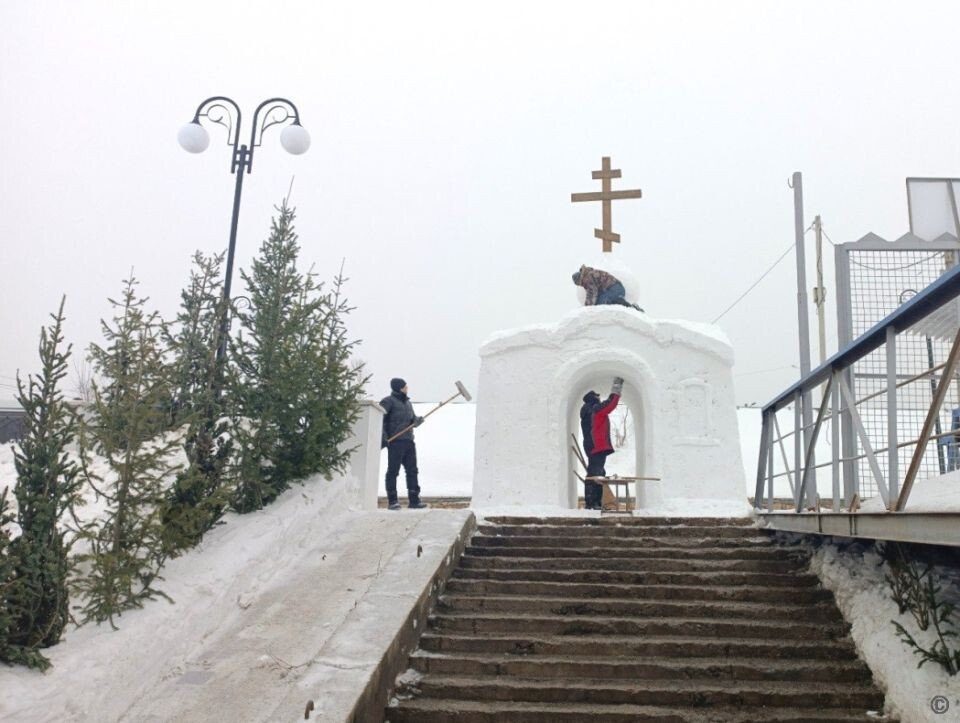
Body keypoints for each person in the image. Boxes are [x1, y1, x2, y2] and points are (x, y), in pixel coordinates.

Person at [381, 378, 427, 510]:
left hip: (408, 441)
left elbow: (412, 420)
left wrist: (417, 421)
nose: (407, 388)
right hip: (395, 442)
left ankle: (414, 500)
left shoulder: (408, 403)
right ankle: (393, 501)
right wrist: (384, 437)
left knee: (412, 470)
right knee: (393, 471)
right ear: (399, 388)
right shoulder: (388, 402)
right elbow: (380, 420)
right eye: (405, 386)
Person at [580, 377, 624, 510]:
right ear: (593, 399)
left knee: (596, 473)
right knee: (596, 474)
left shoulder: (587, 410)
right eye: (597, 397)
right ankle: (592, 504)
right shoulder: (595, 409)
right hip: (597, 446)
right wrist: (617, 387)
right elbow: (610, 404)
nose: (599, 398)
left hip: (592, 446)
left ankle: (595, 503)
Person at [572, 265, 643, 311]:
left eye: (580, 283)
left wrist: (586, 309)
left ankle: (629, 307)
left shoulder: (588, 277)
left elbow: (592, 293)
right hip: (611, 289)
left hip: (615, 288)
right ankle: (623, 304)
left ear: (580, 279)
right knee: (598, 303)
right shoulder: (589, 275)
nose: (582, 285)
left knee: (602, 302)